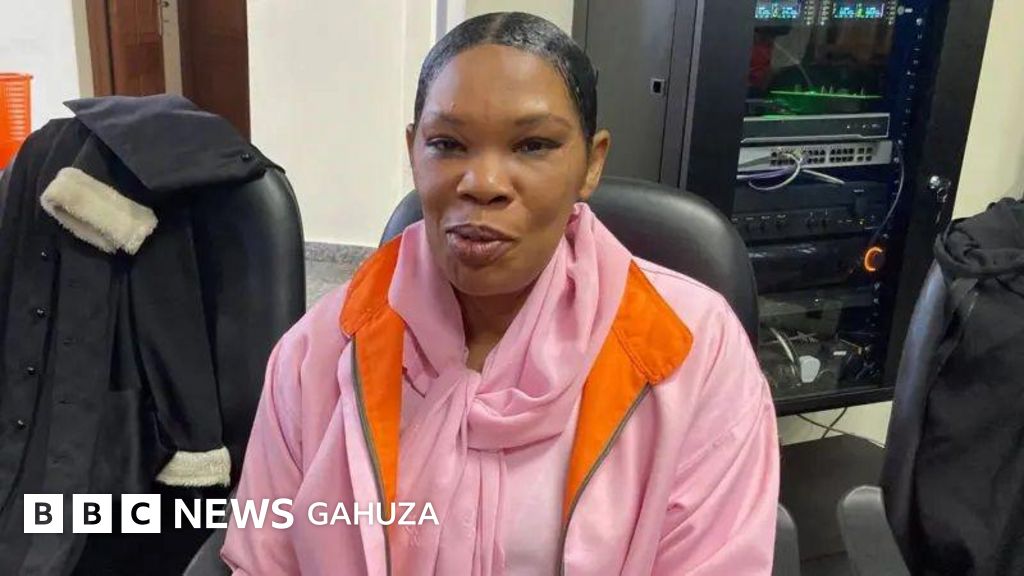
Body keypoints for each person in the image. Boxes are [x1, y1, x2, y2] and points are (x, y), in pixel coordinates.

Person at [222, 12, 779, 575]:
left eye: (533, 145)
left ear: (592, 163)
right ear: (413, 151)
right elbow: (266, 560)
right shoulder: (320, 352)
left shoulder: (691, 352)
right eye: (447, 144)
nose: (483, 184)